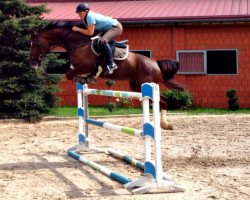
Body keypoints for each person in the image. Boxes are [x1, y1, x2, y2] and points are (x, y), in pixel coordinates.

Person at [72, 3, 123, 75]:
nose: (79, 15)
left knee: (102, 41)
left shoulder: (89, 17)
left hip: (116, 28)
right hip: (106, 29)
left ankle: (111, 64)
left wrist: (78, 29)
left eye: (80, 13)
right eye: (78, 13)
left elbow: (90, 33)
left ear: (86, 11)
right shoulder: (86, 18)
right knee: (94, 42)